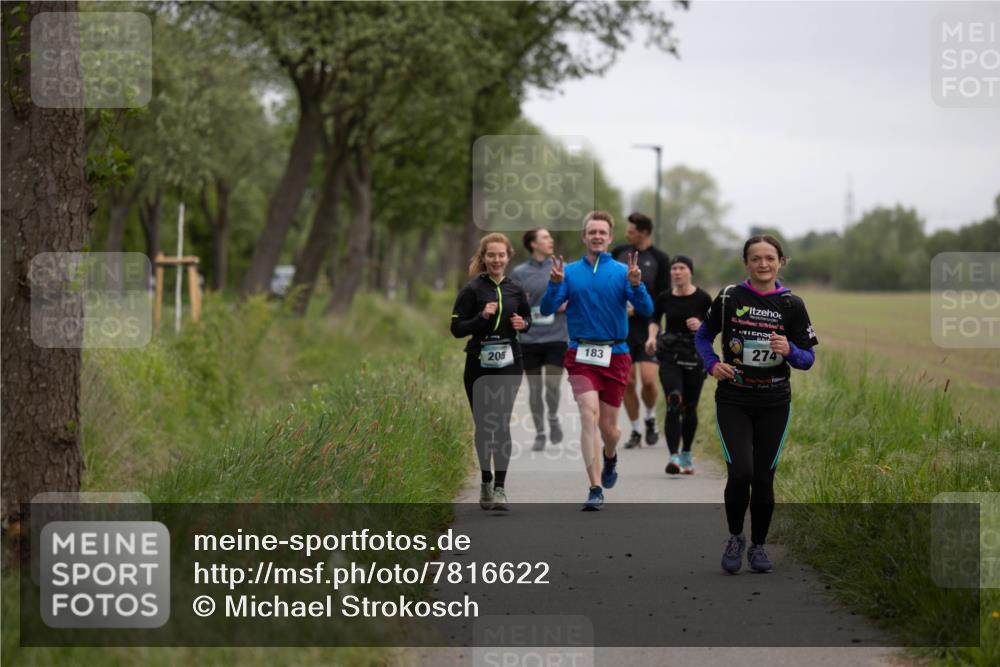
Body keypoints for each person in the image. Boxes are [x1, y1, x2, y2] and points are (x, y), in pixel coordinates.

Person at [694, 235, 818, 573]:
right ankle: (736, 536)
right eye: (755, 258)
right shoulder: (730, 297)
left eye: (769, 258)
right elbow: (703, 336)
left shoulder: (792, 304)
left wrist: (789, 350)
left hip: (775, 400)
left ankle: (759, 547)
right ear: (746, 263)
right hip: (734, 397)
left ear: (781, 261)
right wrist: (712, 364)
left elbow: (808, 360)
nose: (763, 264)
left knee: (764, 478)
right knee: (741, 472)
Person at [540, 211, 653, 511]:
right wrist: (554, 284)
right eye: (592, 232)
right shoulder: (570, 272)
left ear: (610, 237)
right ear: (584, 236)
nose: (597, 236)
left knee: (610, 429)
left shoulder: (621, 271)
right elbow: (549, 308)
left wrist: (637, 284)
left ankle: (611, 455)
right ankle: (594, 487)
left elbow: (646, 308)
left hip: (615, 354)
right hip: (580, 354)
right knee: (587, 414)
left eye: (603, 232)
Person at [451, 233, 532, 511]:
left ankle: (500, 488)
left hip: (510, 362)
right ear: (483, 257)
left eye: (501, 255)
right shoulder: (472, 290)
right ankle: (485, 481)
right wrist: (481, 317)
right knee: (484, 426)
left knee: (501, 423)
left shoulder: (516, 289)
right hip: (478, 363)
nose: (496, 260)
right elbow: (456, 329)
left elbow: (527, 318)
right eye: (491, 255)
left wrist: (524, 323)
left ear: (508, 257)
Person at [644, 255, 712, 475]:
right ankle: (673, 457)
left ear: (690, 272)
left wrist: (701, 326)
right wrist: (652, 338)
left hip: (694, 355)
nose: (677, 272)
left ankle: (687, 453)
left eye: (682, 268)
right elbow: (654, 320)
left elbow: (713, 328)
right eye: (674, 268)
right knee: (674, 400)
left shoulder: (703, 298)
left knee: (689, 407)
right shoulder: (664, 298)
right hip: (670, 354)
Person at [612, 212, 670, 449]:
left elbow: (665, 296)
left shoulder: (660, 258)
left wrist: (638, 309)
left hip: (649, 327)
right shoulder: (617, 253)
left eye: (631, 230)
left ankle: (650, 418)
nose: (627, 233)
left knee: (647, 380)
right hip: (621, 327)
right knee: (626, 381)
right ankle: (635, 430)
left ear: (644, 233)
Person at [510, 228, 569, 451]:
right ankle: (541, 432)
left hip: (556, 336)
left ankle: (553, 417)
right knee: (535, 389)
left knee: (552, 385)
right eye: (545, 237)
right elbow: (512, 303)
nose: (551, 240)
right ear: (533, 244)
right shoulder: (519, 273)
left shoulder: (561, 269)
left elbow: (574, 294)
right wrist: (518, 303)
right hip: (529, 338)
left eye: (550, 237)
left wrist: (567, 302)